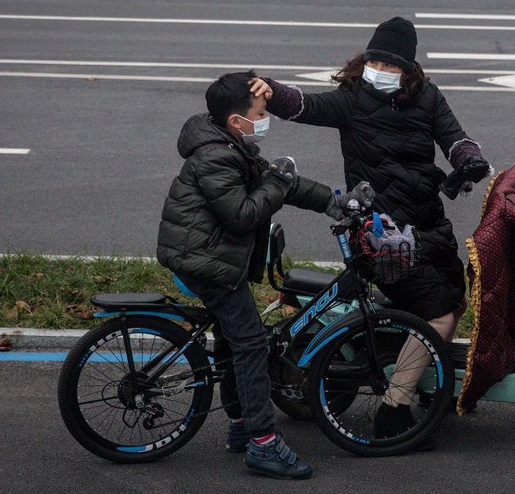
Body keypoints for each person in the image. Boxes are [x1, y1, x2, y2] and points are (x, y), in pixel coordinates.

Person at [249, 17, 491, 442]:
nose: (379, 67)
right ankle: (394, 410)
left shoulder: (429, 98)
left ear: (408, 69)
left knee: (454, 301)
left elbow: (456, 139)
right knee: (438, 314)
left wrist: (469, 160)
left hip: (429, 225)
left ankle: (420, 382)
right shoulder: (352, 99)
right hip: (382, 235)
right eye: (374, 59)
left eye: (390, 63)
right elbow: (304, 105)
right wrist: (270, 88)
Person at [156, 70, 373, 479]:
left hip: (208, 253)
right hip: (206, 261)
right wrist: (276, 179)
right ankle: (263, 444)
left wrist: (335, 201)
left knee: (232, 337)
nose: (265, 115)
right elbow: (243, 215)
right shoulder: (217, 155)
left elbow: (281, 185)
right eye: (260, 110)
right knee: (251, 344)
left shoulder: (227, 140)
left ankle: (239, 426)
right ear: (237, 120)